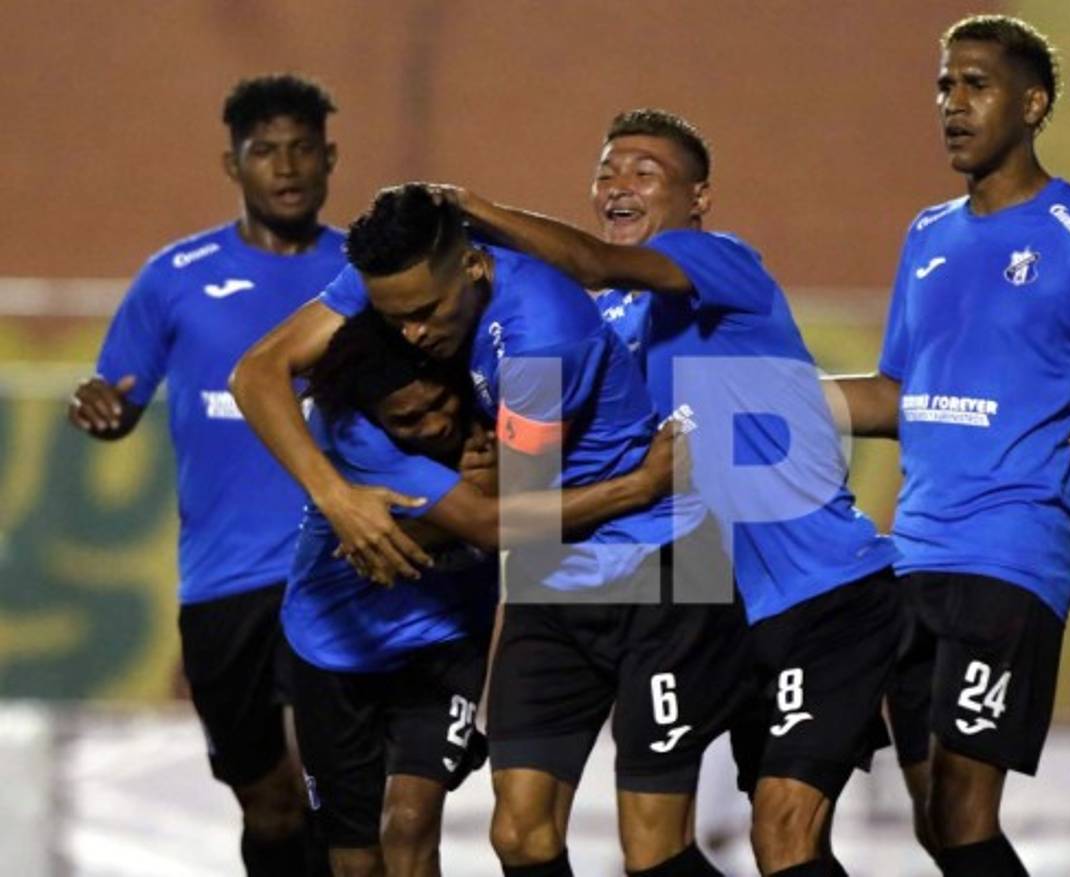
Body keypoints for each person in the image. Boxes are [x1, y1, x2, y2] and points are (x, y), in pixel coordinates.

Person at [231, 185, 753, 876]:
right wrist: (339, 499)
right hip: (553, 575)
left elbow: (507, 515)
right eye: (394, 317)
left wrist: (639, 485)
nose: (410, 333)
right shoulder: (398, 280)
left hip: (655, 562)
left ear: (475, 267)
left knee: (653, 850)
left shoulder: (543, 338)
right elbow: (256, 370)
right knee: (519, 836)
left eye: (423, 314)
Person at [438, 106, 903, 877]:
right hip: (709, 603)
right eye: (607, 171)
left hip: (819, 594)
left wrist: (470, 209)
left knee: (784, 836)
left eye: (644, 172)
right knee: (654, 850)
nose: (619, 184)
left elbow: (590, 262)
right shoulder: (589, 323)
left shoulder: (717, 261)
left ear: (699, 197)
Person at [827, 15, 1070, 876]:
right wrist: (768, 400)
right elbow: (897, 396)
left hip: (1011, 559)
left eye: (975, 85)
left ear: (1032, 104)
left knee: (964, 808)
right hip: (913, 558)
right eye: (943, 86)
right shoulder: (927, 235)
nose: (952, 105)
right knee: (934, 820)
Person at [287, 307, 680, 876]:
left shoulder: (490, 409)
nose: (433, 426)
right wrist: (640, 486)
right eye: (408, 420)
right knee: (354, 860)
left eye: (439, 404)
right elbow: (487, 526)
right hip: (335, 648)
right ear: (374, 419)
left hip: (444, 643)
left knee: (409, 820)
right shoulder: (348, 434)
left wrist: (505, 483)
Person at [67, 74, 342, 876]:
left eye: (302, 150)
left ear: (330, 159)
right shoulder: (174, 276)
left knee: (338, 787)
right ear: (234, 165)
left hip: (335, 567)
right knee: (272, 805)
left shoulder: (367, 270)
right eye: (265, 152)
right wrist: (102, 411)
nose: (286, 168)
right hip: (222, 585)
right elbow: (119, 398)